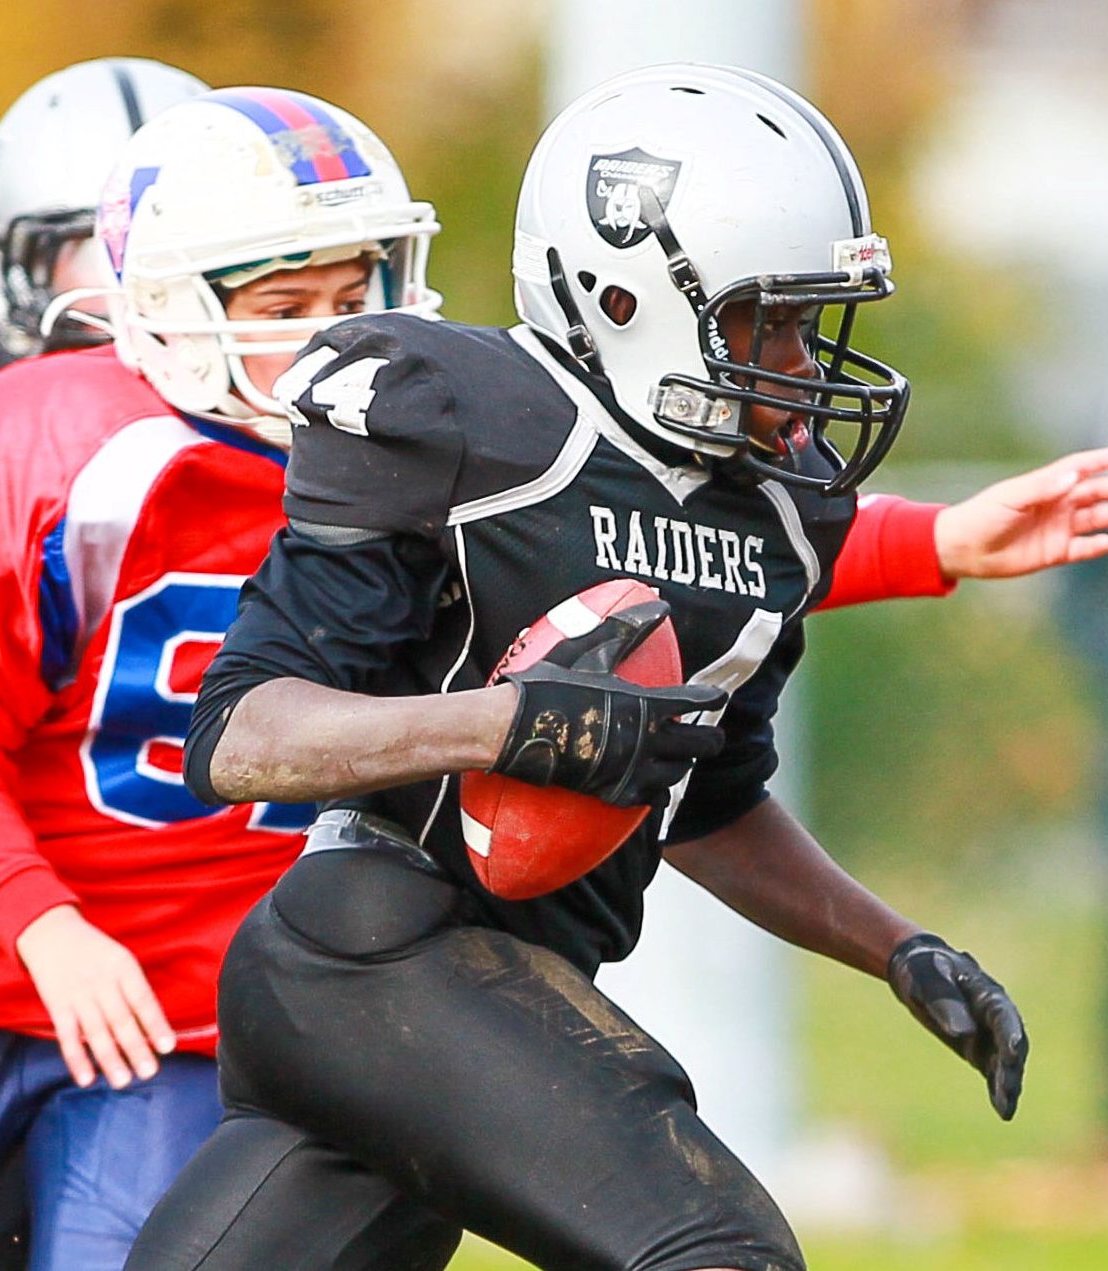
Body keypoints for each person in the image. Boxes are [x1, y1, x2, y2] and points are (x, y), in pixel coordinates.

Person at [125, 65, 1056, 1271]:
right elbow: (241, 734)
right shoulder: (465, 417)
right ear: (622, 295)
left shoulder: (776, 510)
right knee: (715, 1251)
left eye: (806, 320)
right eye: (762, 319)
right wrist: (509, 722)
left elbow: (703, 799)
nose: (796, 361)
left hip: (491, 991)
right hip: (369, 946)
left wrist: (893, 947)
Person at [0, 87, 443, 1271]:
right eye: (285, 308)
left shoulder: (428, 457)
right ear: (171, 307)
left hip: (187, 993)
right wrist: (47, 927)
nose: (334, 340)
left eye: (353, 297)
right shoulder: (46, 440)